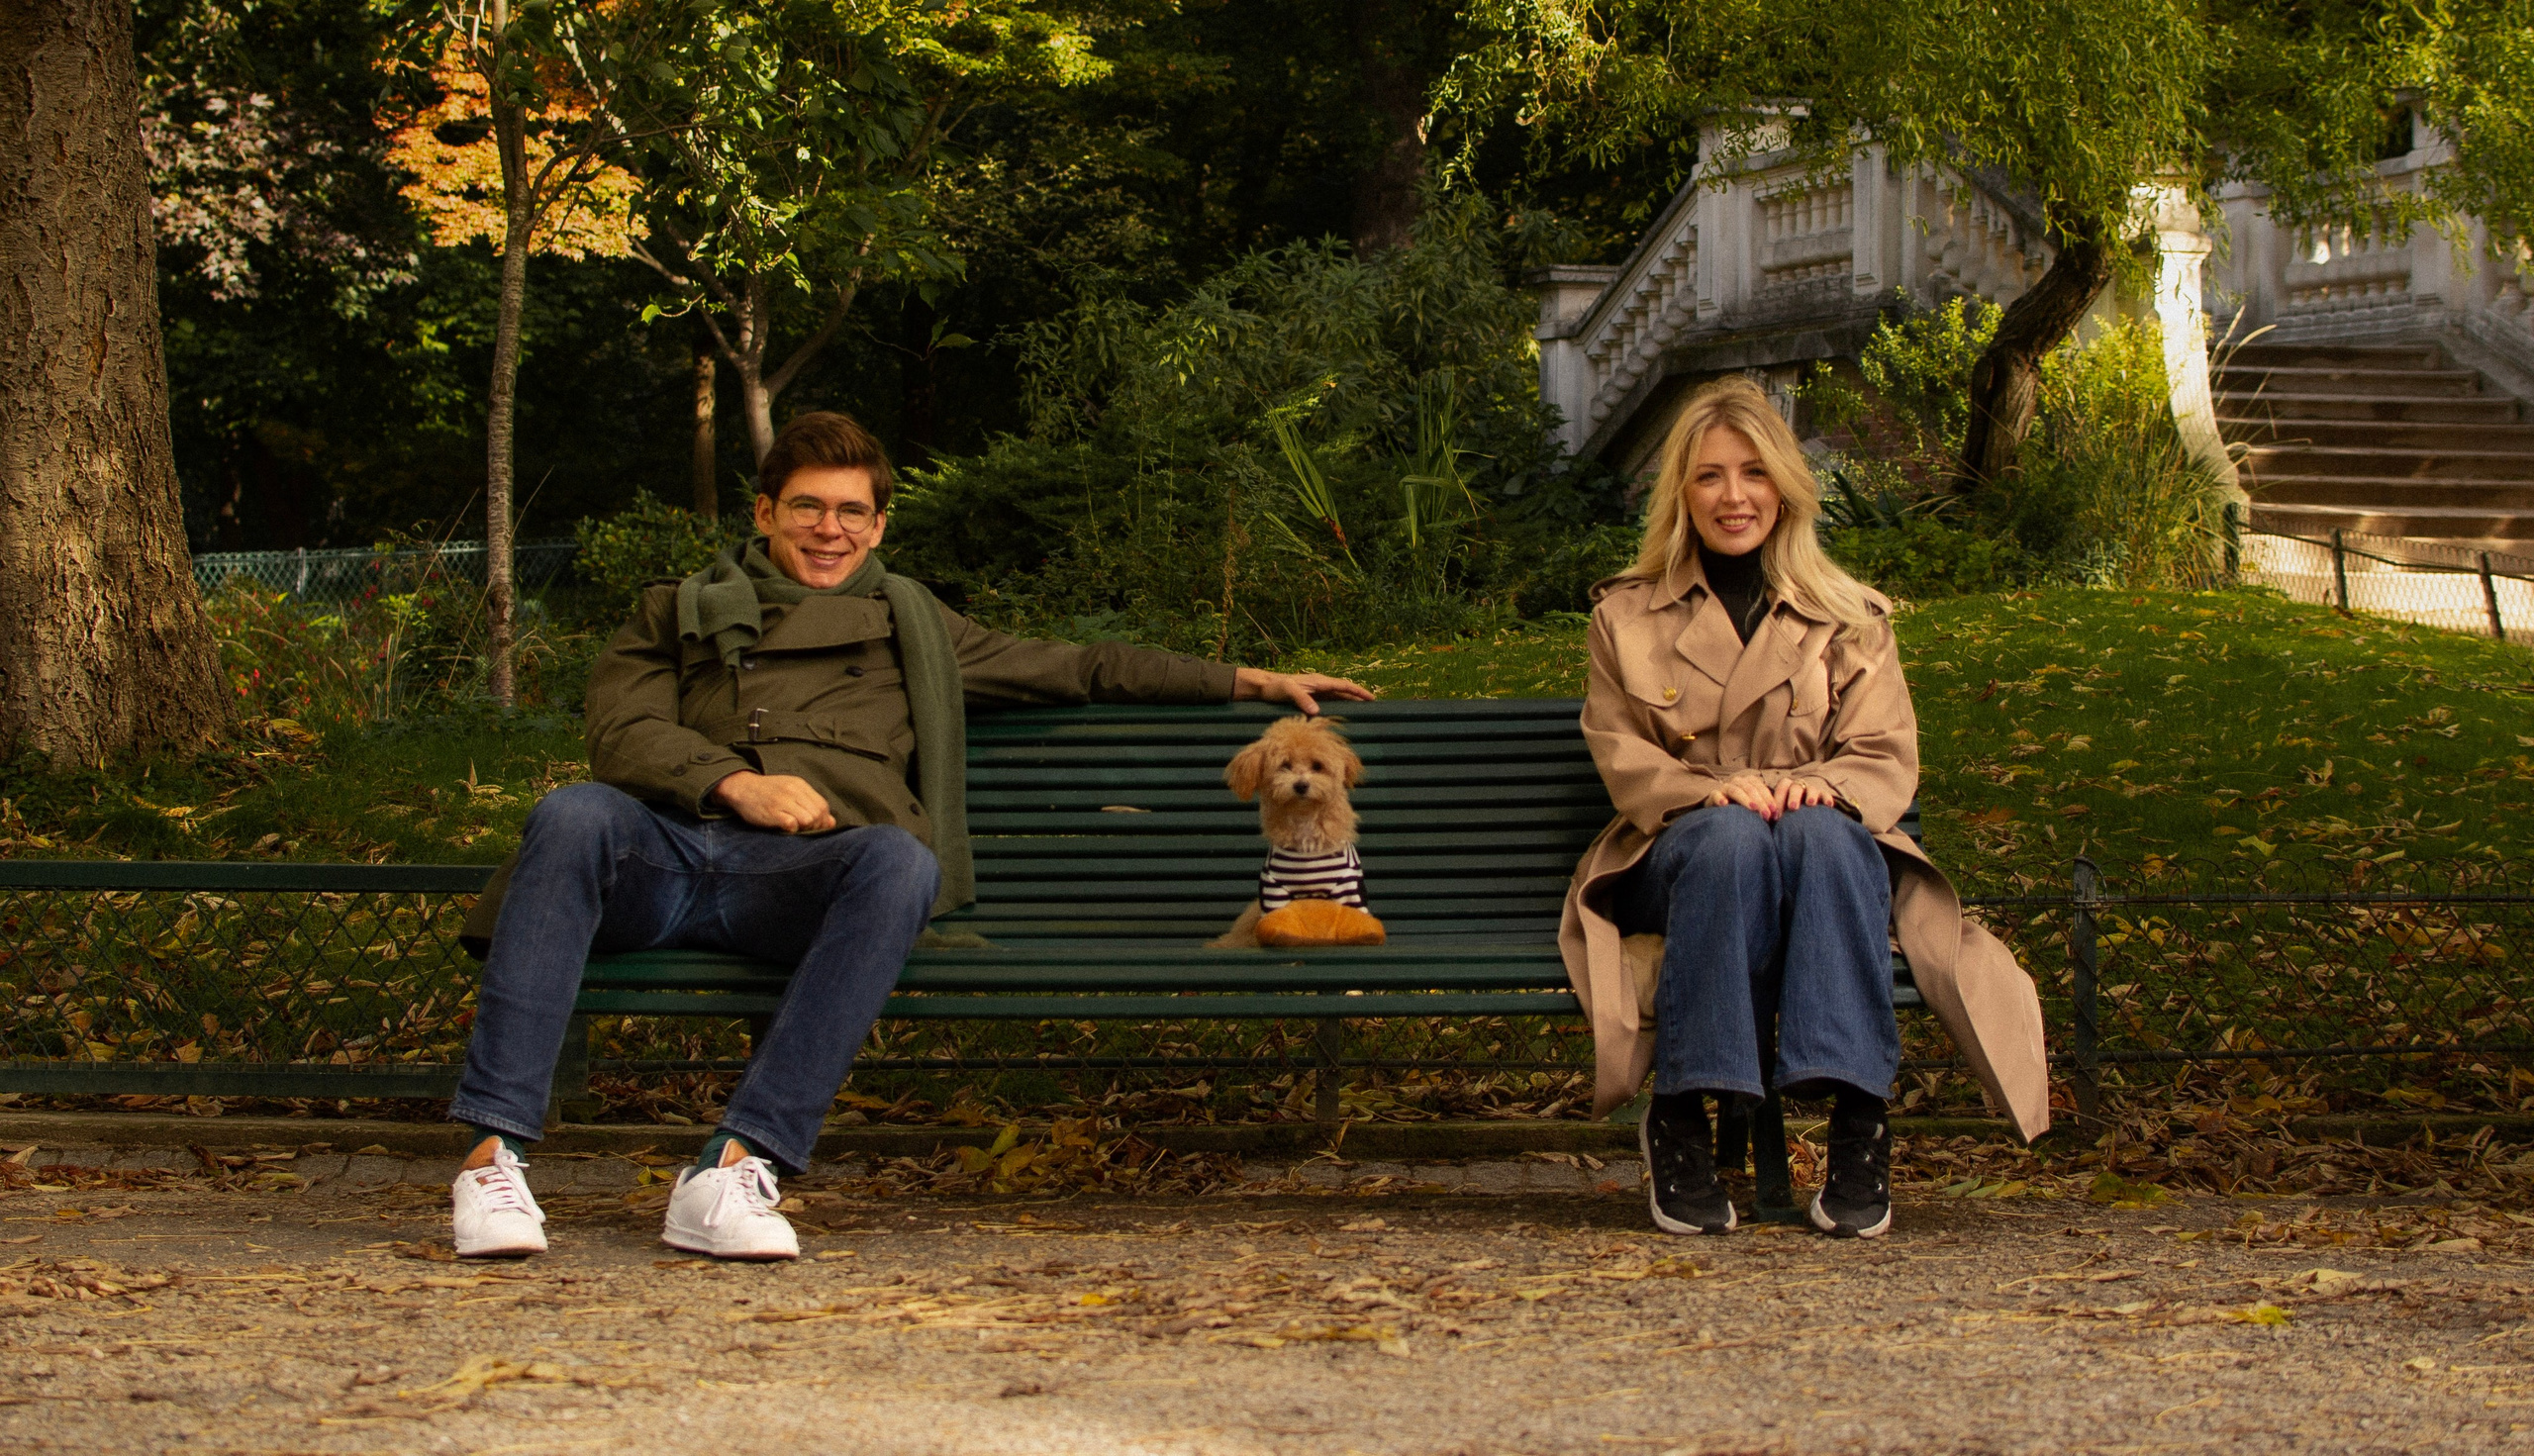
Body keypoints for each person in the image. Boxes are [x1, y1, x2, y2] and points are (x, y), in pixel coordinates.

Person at [445, 411, 1371, 1261]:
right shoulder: (676, 608)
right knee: (571, 812)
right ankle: (492, 1161)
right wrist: (737, 782)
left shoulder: (915, 625)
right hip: (666, 851)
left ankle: (735, 1170)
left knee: (899, 859)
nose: (829, 528)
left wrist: (1246, 680)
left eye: (852, 511)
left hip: (802, 880)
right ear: (766, 511)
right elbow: (621, 732)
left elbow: (1081, 665)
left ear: (880, 526)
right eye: (806, 506)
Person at [1559, 376, 2048, 1241]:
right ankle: (1680, 1113)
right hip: (1676, 853)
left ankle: (1860, 1122)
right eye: (1709, 476)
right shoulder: (1625, 616)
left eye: (1753, 472)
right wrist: (1709, 790)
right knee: (1729, 841)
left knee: (1823, 833)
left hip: (1821, 852)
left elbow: (1885, 750)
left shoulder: (1849, 616)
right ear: (1682, 491)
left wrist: (1831, 784)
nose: (1734, 496)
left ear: (1785, 484)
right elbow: (1621, 750)